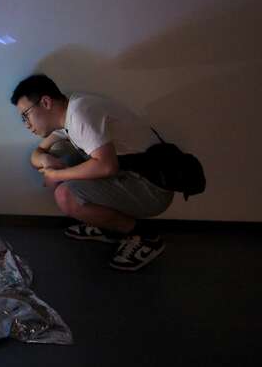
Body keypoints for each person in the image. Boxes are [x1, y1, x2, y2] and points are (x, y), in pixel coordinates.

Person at [10, 74, 173, 271]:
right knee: (59, 151)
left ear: (45, 102)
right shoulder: (68, 116)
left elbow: (106, 166)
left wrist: (56, 174)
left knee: (65, 195)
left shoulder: (80, 114)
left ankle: (145, 235)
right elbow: (36, 154)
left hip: (152, 187)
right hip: (130, 175)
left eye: (25, 115)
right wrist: (46, 160)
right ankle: (108, 226)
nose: (26, 124)